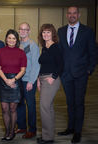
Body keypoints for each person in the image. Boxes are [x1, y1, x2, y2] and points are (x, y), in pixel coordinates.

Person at [57, 6, 97, 143]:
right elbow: (60, 52)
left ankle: (78, 132)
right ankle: (70, 128)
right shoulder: (61, 31)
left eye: (74, 13)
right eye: (70, 13)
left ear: (79, 15)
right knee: (70, 102)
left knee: (79, 103)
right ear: (67, 15)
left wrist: (89, 69)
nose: (72, 15)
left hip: (81, 74)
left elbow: (93, 52)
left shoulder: (88, 31)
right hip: (66, 74)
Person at [0, 29, 27, 141]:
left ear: (17, 40)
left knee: (13, 108)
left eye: (14, 38)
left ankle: (12, 131)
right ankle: (7, 131)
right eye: (9, 38)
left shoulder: (21, 53)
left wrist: (13, 80)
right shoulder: (0, 51)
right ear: (6, 39)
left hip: (16, 81)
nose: (11, 40)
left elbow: (23, 70)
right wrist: (6, 80)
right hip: (3, 81)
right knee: (4, 108)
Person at [37, 24, 63, 144]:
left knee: (44, 108)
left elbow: (61, 64)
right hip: (42, 79)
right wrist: (38, 79)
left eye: (48, 32)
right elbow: (43, 65)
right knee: (49, 108)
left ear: (53, 34)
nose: (45, 34)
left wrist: (53, 77)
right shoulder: (45, 47)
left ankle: (47, 138)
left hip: (51, 79)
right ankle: (49, 135)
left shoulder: (55, 47)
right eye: (43, 32)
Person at [15, 22, 40, 139]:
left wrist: (31, 81)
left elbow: (36, 65)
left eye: (25, 29)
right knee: (19, 104)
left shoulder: (33, 45)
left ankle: (32, 129)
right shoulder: (17, 44)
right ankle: (22, 126)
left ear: (29, 31)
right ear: (19, 31)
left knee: (30, 105)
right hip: (18, 79)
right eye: (21, 29)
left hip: (28, 80)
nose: (23, 31)